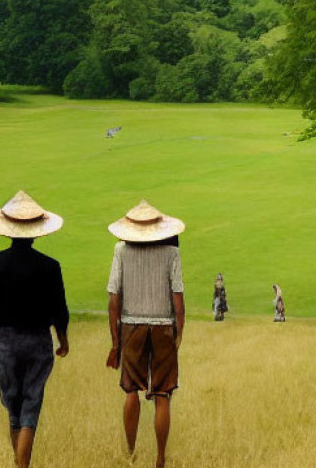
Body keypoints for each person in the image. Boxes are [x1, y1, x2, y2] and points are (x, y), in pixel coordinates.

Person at [0, 190, 69, 468]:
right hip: (40, 341)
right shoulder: (50, 267)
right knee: (31, 403)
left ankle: (19, 463)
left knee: (13, 406)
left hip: (7, 341)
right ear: (36, 232)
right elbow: (59, 310)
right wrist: (63, 340)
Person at [106, 200, 185, 468]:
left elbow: (113, 298)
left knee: (131, 391)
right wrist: (178, 334)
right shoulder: (171, 253)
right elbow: (178, 300)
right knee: (162, 394)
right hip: (163, 327)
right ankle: (160, 458)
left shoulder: (121, 250)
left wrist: (115, 342)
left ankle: (130, 453)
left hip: (130, 327)